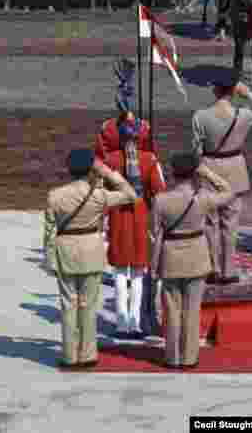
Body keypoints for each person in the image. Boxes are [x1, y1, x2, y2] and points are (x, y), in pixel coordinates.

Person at [42, 149, 138, 369]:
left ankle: (69, 355)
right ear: (90, 169)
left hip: (65, 249)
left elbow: (48, 232)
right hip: (91, 249)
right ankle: (87, 354)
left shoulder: (55, 195)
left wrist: (49, 259)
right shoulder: (98, 195)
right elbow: (130, 194)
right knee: (88, 305)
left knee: (68, 305)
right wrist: (107, 171)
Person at [150, 153, 236, 368]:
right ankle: (189, 357)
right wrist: (207, 173)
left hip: (170, 257)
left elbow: (154, 233)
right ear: (193, 174)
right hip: (196, 256)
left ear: (173, 173)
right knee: (192, 310)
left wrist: (153, 264)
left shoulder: (160, 200)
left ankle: (172, 357)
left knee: (171, 311)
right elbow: (229, 192)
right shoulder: (203, 197)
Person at [191, 69, 252, 283]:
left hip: (209, 169)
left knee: (210, 223)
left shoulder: (200, 116)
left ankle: (212, 268)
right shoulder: (243, 114)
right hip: (235, 169)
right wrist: (248, 95)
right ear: (233, 91)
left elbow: (196, 151)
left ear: (215, 90)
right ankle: (228, 270)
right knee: (231, 225)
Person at [102, 114, 166, 337]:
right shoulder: (149, 159)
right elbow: (160, 190)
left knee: (119, 272)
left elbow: (103, 193)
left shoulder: (110, 160)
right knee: (138, 273)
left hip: (118, 216)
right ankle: (135, 321)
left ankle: (121, 322)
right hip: (141, 217)